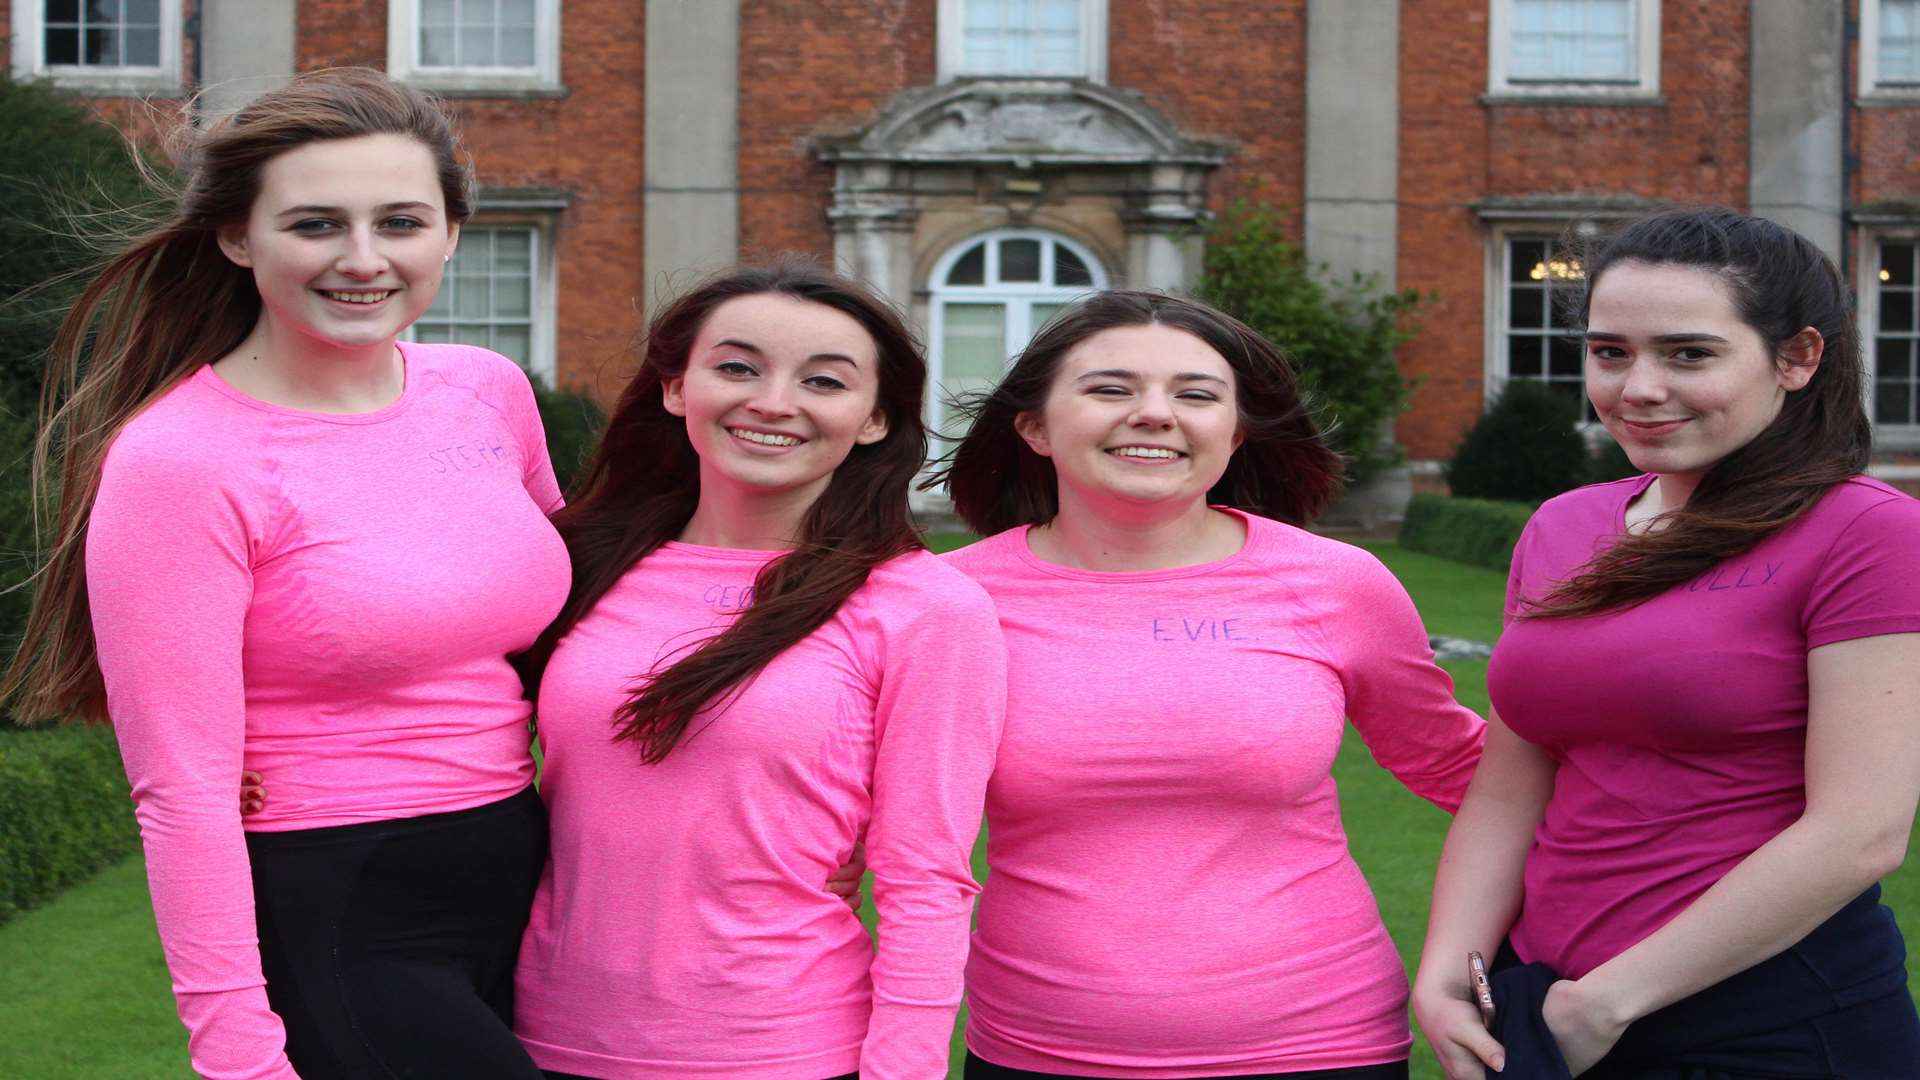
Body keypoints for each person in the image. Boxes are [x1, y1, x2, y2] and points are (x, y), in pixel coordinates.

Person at [0, 69, 570, 1078]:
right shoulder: (180, 461)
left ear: (450, 231)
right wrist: (238, 1054)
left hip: (525, 871)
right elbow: (180, 787)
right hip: (342, 903)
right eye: (314, 225)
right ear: (236, 237)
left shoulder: (483, 393)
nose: (362, 260)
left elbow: (576, 632)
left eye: (400, 222)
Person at [1412, 207, 1920, 1079]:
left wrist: (1603, 1002)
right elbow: (1510, 786)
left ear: (1797, 358)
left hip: (1769, 1020)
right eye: (1611, 352)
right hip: (1542, 1001)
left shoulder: (1867, 533)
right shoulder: (1563, 526)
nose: (1638, 386)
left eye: (1688, 353)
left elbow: (1859, 832)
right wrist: (1449, 971)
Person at [926, 290, 1486, 1079]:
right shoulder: (946, 600)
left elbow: (1465, 772)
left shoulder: (1335, 584)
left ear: (1236, 430)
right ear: (1035, 426)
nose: (1155, 413)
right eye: (1111, 388)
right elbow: (855, 825)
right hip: (1038, 1051)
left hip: (1321, 1046)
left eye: (1195, 394)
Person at [508, 261, 1005, 1080]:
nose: (773, 401)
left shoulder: (925, 607)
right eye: (737, 367)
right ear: (676, 388)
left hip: (782, 1048)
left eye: (824, 380)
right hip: (541, 1032)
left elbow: (926, 878)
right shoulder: (577, 563)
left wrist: (905, 1067)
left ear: (875, 417)